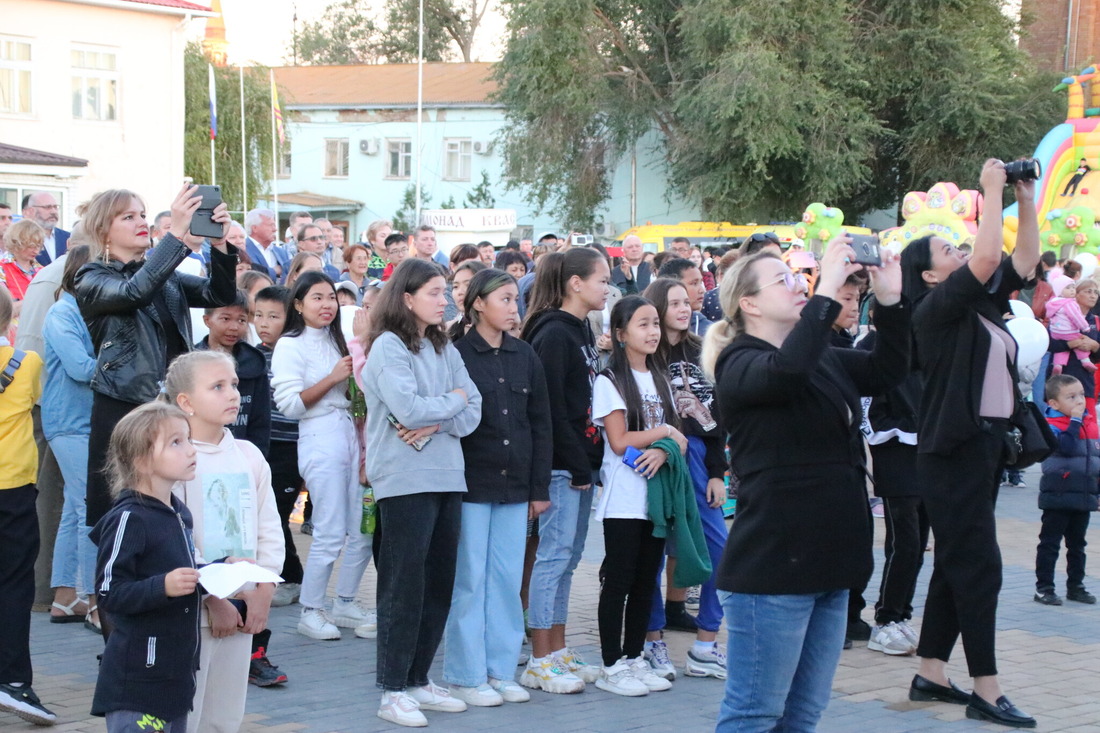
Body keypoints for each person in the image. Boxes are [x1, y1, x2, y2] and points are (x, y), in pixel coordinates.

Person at [703, 238, 909, 731]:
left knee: (803, 715)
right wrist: (829, 288)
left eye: (800, 278)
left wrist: (891, 300)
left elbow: (889, 369)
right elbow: (786, 372)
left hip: (830, 561)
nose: (798, 285)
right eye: (785, 280)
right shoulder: (740, 363)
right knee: (755, 714)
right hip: (774, 567)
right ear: (748, 303)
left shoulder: (822, 355)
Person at [901, 159, 1041, 729]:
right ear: (931, 275)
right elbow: (984, 258)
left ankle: (931, 670)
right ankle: (988, 686)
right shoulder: (933, 311)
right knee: (981, 567)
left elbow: (1023, 261)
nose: (961, 253)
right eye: (948, 251)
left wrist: (1025, 197)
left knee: (957, 564)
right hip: (951, 452)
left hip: (983, 448)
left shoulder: (981, 304)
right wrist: (988, 192)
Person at [361, 258, 482, 727]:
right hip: (404, 479)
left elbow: (475, 409)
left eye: (445, 291)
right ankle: (391, 690)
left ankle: (417, 679)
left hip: (449, 474)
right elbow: (409, 410)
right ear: (407, 298)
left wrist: (438, 418)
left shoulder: (444, 346)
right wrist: (447, 407)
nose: (444, 299)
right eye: (434, 291)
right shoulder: (389, 346)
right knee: (403, 585)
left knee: (438, 584)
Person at [75, 185, 237, 529]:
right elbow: (134, 292)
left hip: (169, 407)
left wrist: (220, 245)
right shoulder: (91, 277)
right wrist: (176, 234)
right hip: (125, 407)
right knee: (124, 513)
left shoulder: (164, 276)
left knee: (171, 508)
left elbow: (219, 293)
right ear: (104, 229)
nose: (141, 222)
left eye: (143, 215)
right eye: (129, 216)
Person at [443, 269, 552, 707]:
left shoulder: (525, 355)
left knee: (507, 581)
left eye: (515, 299)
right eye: (505, 299)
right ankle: (466, 675)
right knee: (469, 580)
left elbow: (540, 425)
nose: (514, 308)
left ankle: (501, 670)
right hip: (470, 484)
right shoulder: (455, 354)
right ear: (478, 305)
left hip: (516, 486)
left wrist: (539, 487)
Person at [163, 351, 285, 732]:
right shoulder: (175, 460)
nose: (232, 393)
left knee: (225, 716)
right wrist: (213, 598)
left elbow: (269, 527)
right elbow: (172, 538)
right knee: (189, 711)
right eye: (217, 386)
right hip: (193, 611)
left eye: (233, 384)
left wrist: (264, 587)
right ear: (186, 402)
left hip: (244, 605)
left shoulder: (249, 456)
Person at [519, 247, 610, 693]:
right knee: (552, 561)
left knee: (569, 561)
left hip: (582, 462)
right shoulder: (554, 334)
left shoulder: (581, 330)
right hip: (561, 466)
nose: (607, 287)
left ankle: (557, 648)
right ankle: (539, 657)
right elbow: (551, 408)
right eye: (601, 279)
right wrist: (575, 462)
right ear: (576, 283)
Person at [591, 295, 686, 697]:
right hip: (624, 499)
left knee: (647, 580)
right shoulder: (609, 380)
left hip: (656, 498)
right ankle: (611, 665)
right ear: (620, 333)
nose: (652, 332)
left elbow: (679, 441)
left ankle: (634, 657)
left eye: (655, 324)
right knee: (619, 581)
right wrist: (663, 435)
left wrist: (665, 447)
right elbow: (618, 441)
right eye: (643, 324)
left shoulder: (660, 377)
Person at [88, 402, 203, 732]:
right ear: (141, 460)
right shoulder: (129, 518)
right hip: (138, 683)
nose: (191, 449)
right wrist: (162, 587)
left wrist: (222, 571)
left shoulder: (179, 513)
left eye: (189, 439)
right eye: (176, 443)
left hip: (174, 679)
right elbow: (109, 593)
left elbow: (182, 570)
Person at [271, 272, 372, 640]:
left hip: (350, 431)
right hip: (318, 434)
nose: (326, 304)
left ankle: (344, 600)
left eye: (330, 296)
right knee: (329, 529)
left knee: (362, 526)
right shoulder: (290, 345)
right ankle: (311, 609)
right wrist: (332, 378)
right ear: (298, 304)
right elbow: (290, 405)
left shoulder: (339, 337)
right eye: (316, 298)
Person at [641, 278, 730, 680]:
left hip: (697, 456)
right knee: (652, 552)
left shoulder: (702, 349)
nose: (682, 307)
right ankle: (653, 640)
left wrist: (716, 472)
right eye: (673, 302)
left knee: (719, 549)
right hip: (655, 458)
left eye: (685, 300)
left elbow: (718, 419)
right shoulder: (643, 353)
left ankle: (707, 643)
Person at [0, 286, 57, 726]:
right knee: (14, 584)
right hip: (13, 488)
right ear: (9, 321)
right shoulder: (26, 363)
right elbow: (34, 398)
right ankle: (13, 680)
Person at [859, 299, 929, 657]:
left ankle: (902, 612)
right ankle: (885, 619)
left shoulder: (923, 347)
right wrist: (901, 434)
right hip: (896, 455)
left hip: (927, 457)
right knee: (905, 541)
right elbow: (867, 412)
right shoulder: (871, 348)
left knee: (918, 543)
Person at [42, 246, 99, 629]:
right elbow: (81, 368)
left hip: (82, 420)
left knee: (75, 510)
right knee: (88, 508)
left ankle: (64, 598)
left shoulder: (84, 311)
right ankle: (96, 599)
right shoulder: (62, 312)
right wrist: (127, 365)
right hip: (69, 421)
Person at [252, 286, 305, 612]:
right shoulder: (253, 353)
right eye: (258, 315)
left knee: (277, 513)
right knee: (264, 513)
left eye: (273, 316)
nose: (263, 323)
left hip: (291, 445)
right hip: (262, 445)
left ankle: (292, 577)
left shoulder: (295, 351)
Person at [1033, 374, 1098, 606]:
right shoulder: (1052, 426)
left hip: (1082, 495)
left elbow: (1095, 459)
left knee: (1078, 545)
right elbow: (1068, 449)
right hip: (1058, 494)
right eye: (1071, 397)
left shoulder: (1089, 424)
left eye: (1081, 394)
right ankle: (1044, 588)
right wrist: (1076, 421)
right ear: (1054, 404)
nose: (1079, 401)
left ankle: (1076, 586)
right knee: (1050, 543)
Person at [195, 290, 272, 456]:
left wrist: (256, 458)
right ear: (207, 320)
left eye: (241, 320)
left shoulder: (254, 363)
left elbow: (261, 422)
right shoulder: (191, 362)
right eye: (225, 318)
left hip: (241, 455)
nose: (234, 327)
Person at [1, 220, 45, 341]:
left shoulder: (43, 271)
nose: (35, 250)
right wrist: (34, 302)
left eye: (38, 245)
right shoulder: (2, 268)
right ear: (17, 243)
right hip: (11, 339)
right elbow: (5, 310)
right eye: (31, 245)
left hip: (39, 336)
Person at [1046, 275, 1096, 375]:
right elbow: (1048, 345)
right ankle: (1059, 365)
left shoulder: (1096, 320)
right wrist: (1070, 344)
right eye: (1088, 291)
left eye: (1096, 292)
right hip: (1060, 381)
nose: (1093, 296)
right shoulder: (1057, 317)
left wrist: (1095, 345)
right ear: (1076, 294)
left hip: (1085, 380)